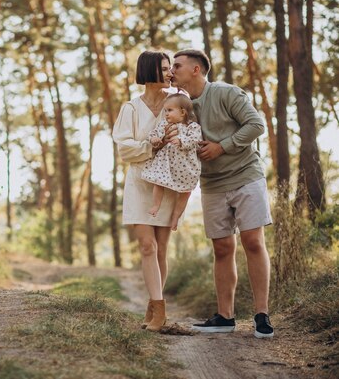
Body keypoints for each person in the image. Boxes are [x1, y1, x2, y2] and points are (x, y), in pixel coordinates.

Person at [170, 49, 274, 339]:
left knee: (253, 241)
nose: (172, 70)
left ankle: (262, 315)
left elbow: (257, 125)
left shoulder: (227, 93)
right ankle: (225, 317)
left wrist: (222, 146)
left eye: (177, 65)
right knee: (222, 249)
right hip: (212, 184)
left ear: (196, 69)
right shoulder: (179, 106)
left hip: (245, 176)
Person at [112, 50, 175, 332]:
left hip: (167, 183)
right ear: (150, 71)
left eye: (171, 68)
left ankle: (155, 305)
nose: (170, 73)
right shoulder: (131, 108)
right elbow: (125, 149)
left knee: (161, 249)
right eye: (164, 68)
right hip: (139, 184)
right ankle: (159, 311)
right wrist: (152, 147)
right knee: (146, 246)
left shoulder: (175, 103)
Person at [141, 93, 202, 231]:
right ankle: (156, 205)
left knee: (186, 191)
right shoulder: (164, 124)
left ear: (182, 112)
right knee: (158, 181)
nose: (166, 114)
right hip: (166, 163)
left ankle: (176, 216)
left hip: (186, 164)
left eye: (170, 110)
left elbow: (195, 139)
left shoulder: (192, 127)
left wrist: (181, 140)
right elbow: (153, 133)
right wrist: (154, 139)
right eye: (165, 111)